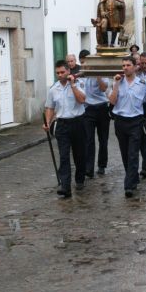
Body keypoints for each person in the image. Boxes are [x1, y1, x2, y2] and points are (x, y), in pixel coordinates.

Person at [108, 56, 146, 198]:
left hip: (136, 122)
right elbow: (111, 102)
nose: (125, 68)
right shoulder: (117, 82)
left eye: (128, 65)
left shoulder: (142, 84)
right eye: (123, 65)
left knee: (133, 153)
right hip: (120, 122)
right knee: (125, 154)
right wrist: (116, 85)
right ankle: (133, 177)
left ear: (134, 67)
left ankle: (129, 185)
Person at [43, 60, 87, 198]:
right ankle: (65, 186)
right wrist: (48, 122)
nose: (60, 75)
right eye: (57, 73)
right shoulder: (53, 89)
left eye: (62, 72)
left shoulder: (79, 84)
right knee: (63, 156)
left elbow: (82, 100)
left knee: (79, 155)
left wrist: (72, 85)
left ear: (68, 71)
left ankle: (80, 179)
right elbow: (50, 107)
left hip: (78, 122)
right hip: (62, 124)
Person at [81, 51, 111, 178]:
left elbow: (104, 88)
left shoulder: (101, 72)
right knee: (88, 140)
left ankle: (102, 165)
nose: (84, 65)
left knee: (103, 139)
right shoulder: (81, 75)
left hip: (102, 109)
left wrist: (97, 75)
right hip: (88, 110)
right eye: (82, 62)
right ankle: (89, 168)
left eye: (86, 62)